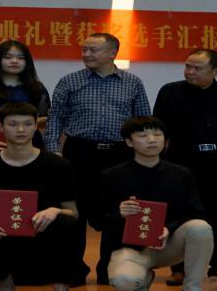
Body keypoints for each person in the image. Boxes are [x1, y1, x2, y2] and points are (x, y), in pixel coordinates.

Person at [44, 32, 152, 284]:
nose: (86, 54)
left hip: (119, 154)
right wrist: (53, 151)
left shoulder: (132, 82)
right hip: (80, 152)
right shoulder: (70, 81)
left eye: (93, 50)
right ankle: (74, 271)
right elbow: (55, 117)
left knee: (117, 213)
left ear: (113, 53)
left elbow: (143, 120)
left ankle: (109, 272)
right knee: (74, 213)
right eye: (84, 49)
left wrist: (144, 152)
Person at [153, 48, 217, 281]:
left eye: (197, 68)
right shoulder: (170, 92)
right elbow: (158, 128)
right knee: (179, 212)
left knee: (216, 213)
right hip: (180, 162)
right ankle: (178, 268)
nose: (190, 71)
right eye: (188, 66)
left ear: (216, 71)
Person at [0, 102, 79, 290]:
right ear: (0, 127)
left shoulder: (59, 166)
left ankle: (60, 285)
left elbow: (73, 213)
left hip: (42, 235)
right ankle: (3, 279)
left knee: (67, 224)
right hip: (0, 237)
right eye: (13, 124)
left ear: (35, 126)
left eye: (27, 124)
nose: (21, 130)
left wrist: (55, 211)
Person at [101, 117, 214, 291]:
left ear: (165, 141)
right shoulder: (111, 176)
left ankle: (193, 288)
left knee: (200, 228)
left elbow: (196, 212)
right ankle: (143, 278)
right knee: (124, 280)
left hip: (169, 245)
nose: (152, 139)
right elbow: (97, 220)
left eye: (157, 134)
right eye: (143, 135)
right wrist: (119, 213)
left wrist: (169, 228)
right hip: (130, 250)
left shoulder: (182, 174)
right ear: (129, 142)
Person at [0, 40, 51, 152]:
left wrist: (26, 123)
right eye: (8, 57)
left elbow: (44, 118)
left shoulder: (37, 88)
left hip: (30, 146)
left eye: (20, 58)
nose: (14, 61)